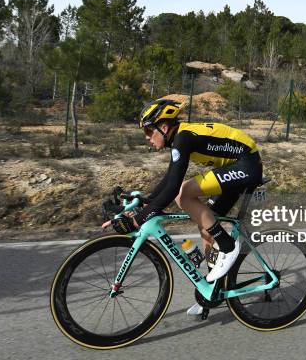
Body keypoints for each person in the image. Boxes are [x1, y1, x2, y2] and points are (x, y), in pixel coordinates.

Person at [102, 99, 262, 315]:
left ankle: (228, 247)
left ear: (164, 127)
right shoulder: (180, 138)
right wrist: (145, 202)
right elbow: (169, 179)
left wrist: (137, 219)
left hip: (247, 164)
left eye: (149, 131)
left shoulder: (183, 138)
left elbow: (174, 187)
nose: (147, 138)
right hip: (234, 166)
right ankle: (210, 291)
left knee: (183, 193)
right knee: (206, 226)